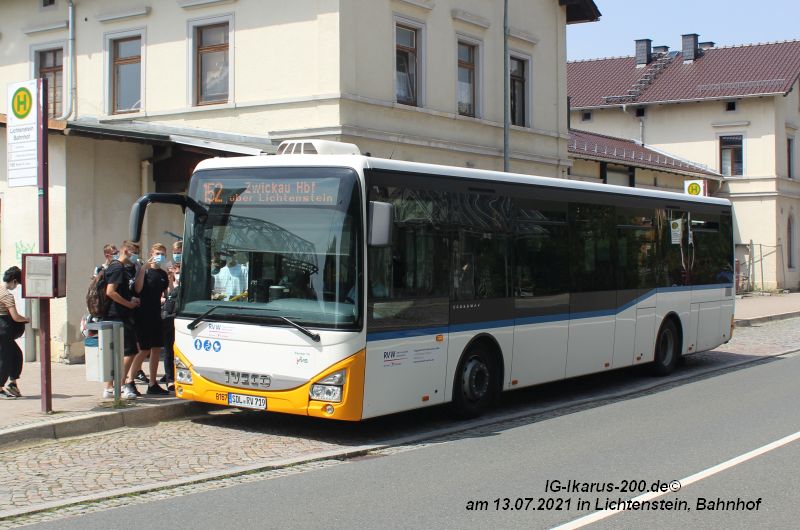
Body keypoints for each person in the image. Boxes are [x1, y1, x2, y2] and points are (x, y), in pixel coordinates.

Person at [103, 240, 141, 399]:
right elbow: (110, 292)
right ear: (126, 251)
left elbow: (120, 291)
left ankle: (110, 388)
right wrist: (128, 304)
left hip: (118, 313)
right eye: (134, 253)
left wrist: (131, 299)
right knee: (131, 351)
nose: (136, 256)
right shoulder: (118, 268)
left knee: (119, 352)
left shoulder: (117, 267)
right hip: (118, 315)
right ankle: (121, 385)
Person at [130, 243, 170, 396]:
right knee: (144, 349)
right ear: (152, 254)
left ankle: (153, 383)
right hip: (143, 315)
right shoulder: (145, 270)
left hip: (156, 314)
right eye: (158, 253)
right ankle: (129, 381)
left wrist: (171, 277)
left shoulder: (163, 274)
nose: (160, 256)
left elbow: (166, 294)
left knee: (156, 348)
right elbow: (138, 289)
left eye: (163, 254)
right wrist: (143, 269)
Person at [0, 267, 30, 399]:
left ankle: (13, 384)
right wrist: (26, 319)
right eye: (17, 284)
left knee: (16, 354)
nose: (16, 286)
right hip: (4, 329)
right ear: (13, 281)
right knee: (4, 358)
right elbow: (15, 317)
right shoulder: (7, 296)